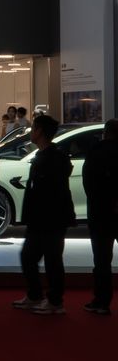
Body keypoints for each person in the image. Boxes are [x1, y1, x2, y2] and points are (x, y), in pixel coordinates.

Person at [13, 114, 71, 315]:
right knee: (31, 257)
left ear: (41, 132)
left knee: (51, 259)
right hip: (42, 219)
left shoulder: (52, 158)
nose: (31, 132)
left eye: (34, 128)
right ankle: (36, 296)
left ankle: (55, 301)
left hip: (50, 219)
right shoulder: (46, 156)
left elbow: (51, 191)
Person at [83, 118, 118, 315]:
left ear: (105, 132)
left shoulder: (96, 152)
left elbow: (88, 182)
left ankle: (102, 301)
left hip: (100, 213)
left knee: (102, 260)